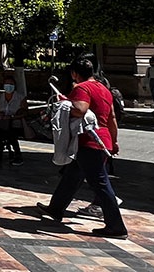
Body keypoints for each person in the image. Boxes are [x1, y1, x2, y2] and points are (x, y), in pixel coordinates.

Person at [36, 57, 128, 239]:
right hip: (102, 139)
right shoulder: (104, 89)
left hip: (88, 140)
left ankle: (117, 226)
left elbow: (80, 109)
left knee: (100, 183)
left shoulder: (81, 88)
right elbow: (112, 118)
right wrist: (114, 141)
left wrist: (65, 104)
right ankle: (56, 208)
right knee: (72, 175)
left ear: (74, 73)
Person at [0, 74, 26, 164]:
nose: (8, 86)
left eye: (11, 84)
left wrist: (12, 117)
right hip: (1, 124)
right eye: (7, 83)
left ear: (14, 86)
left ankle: (18, 155)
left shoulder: (20, 98)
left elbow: (24, 113)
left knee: (11, 133)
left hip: (15, 124)